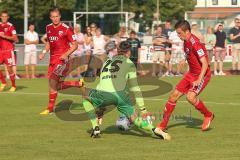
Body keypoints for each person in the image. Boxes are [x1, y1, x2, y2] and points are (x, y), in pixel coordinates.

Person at [82, 41, 170, 140]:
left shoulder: (107, 62)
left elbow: (102, 82)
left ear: (117, 51)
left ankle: (95, 127)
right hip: (121, 96)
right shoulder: (130, 63)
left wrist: (101, 107)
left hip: (103, 94)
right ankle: (154, 129)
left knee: (85, 97)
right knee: (134, 118)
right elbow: (135, 88)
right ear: (129, 52)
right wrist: (143, 109)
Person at [154, 20, 214, 135]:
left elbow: (205, 64)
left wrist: (199, 79)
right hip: (191, 73)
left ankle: (208, 115)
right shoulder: (186, 41)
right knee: (173, 96)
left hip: (203, 74)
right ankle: (163, 125)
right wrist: (184, 59)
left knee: (190, 97)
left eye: (179, 33)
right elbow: (189, 53)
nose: (178, 35)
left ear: (187, 32)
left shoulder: (195, 43)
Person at [39, 7, 83, 115]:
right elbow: (49, 42)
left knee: (53, 83)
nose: (55, 19)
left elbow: (75, 45)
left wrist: (66, 54)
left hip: (62, 60)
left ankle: (49, 108)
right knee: (54, 85)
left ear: (60, 16)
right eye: (53, 17)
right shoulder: (48, 27)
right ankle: (77, 83)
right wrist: (44, 52)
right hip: (52, 59)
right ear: (50, 17)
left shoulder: (66, 29)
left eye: (57, 16)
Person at [0, 10, 19, 92]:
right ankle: (3, 82)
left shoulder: (10, 26)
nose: (4, 18)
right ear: (0, 17)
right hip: (1, 50)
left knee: (9, 69)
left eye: (5, 16)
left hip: (8, 50)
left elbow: (15, 38)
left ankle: (14, 85)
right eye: (2, 16)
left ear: (8, 17)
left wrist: (4, 36)